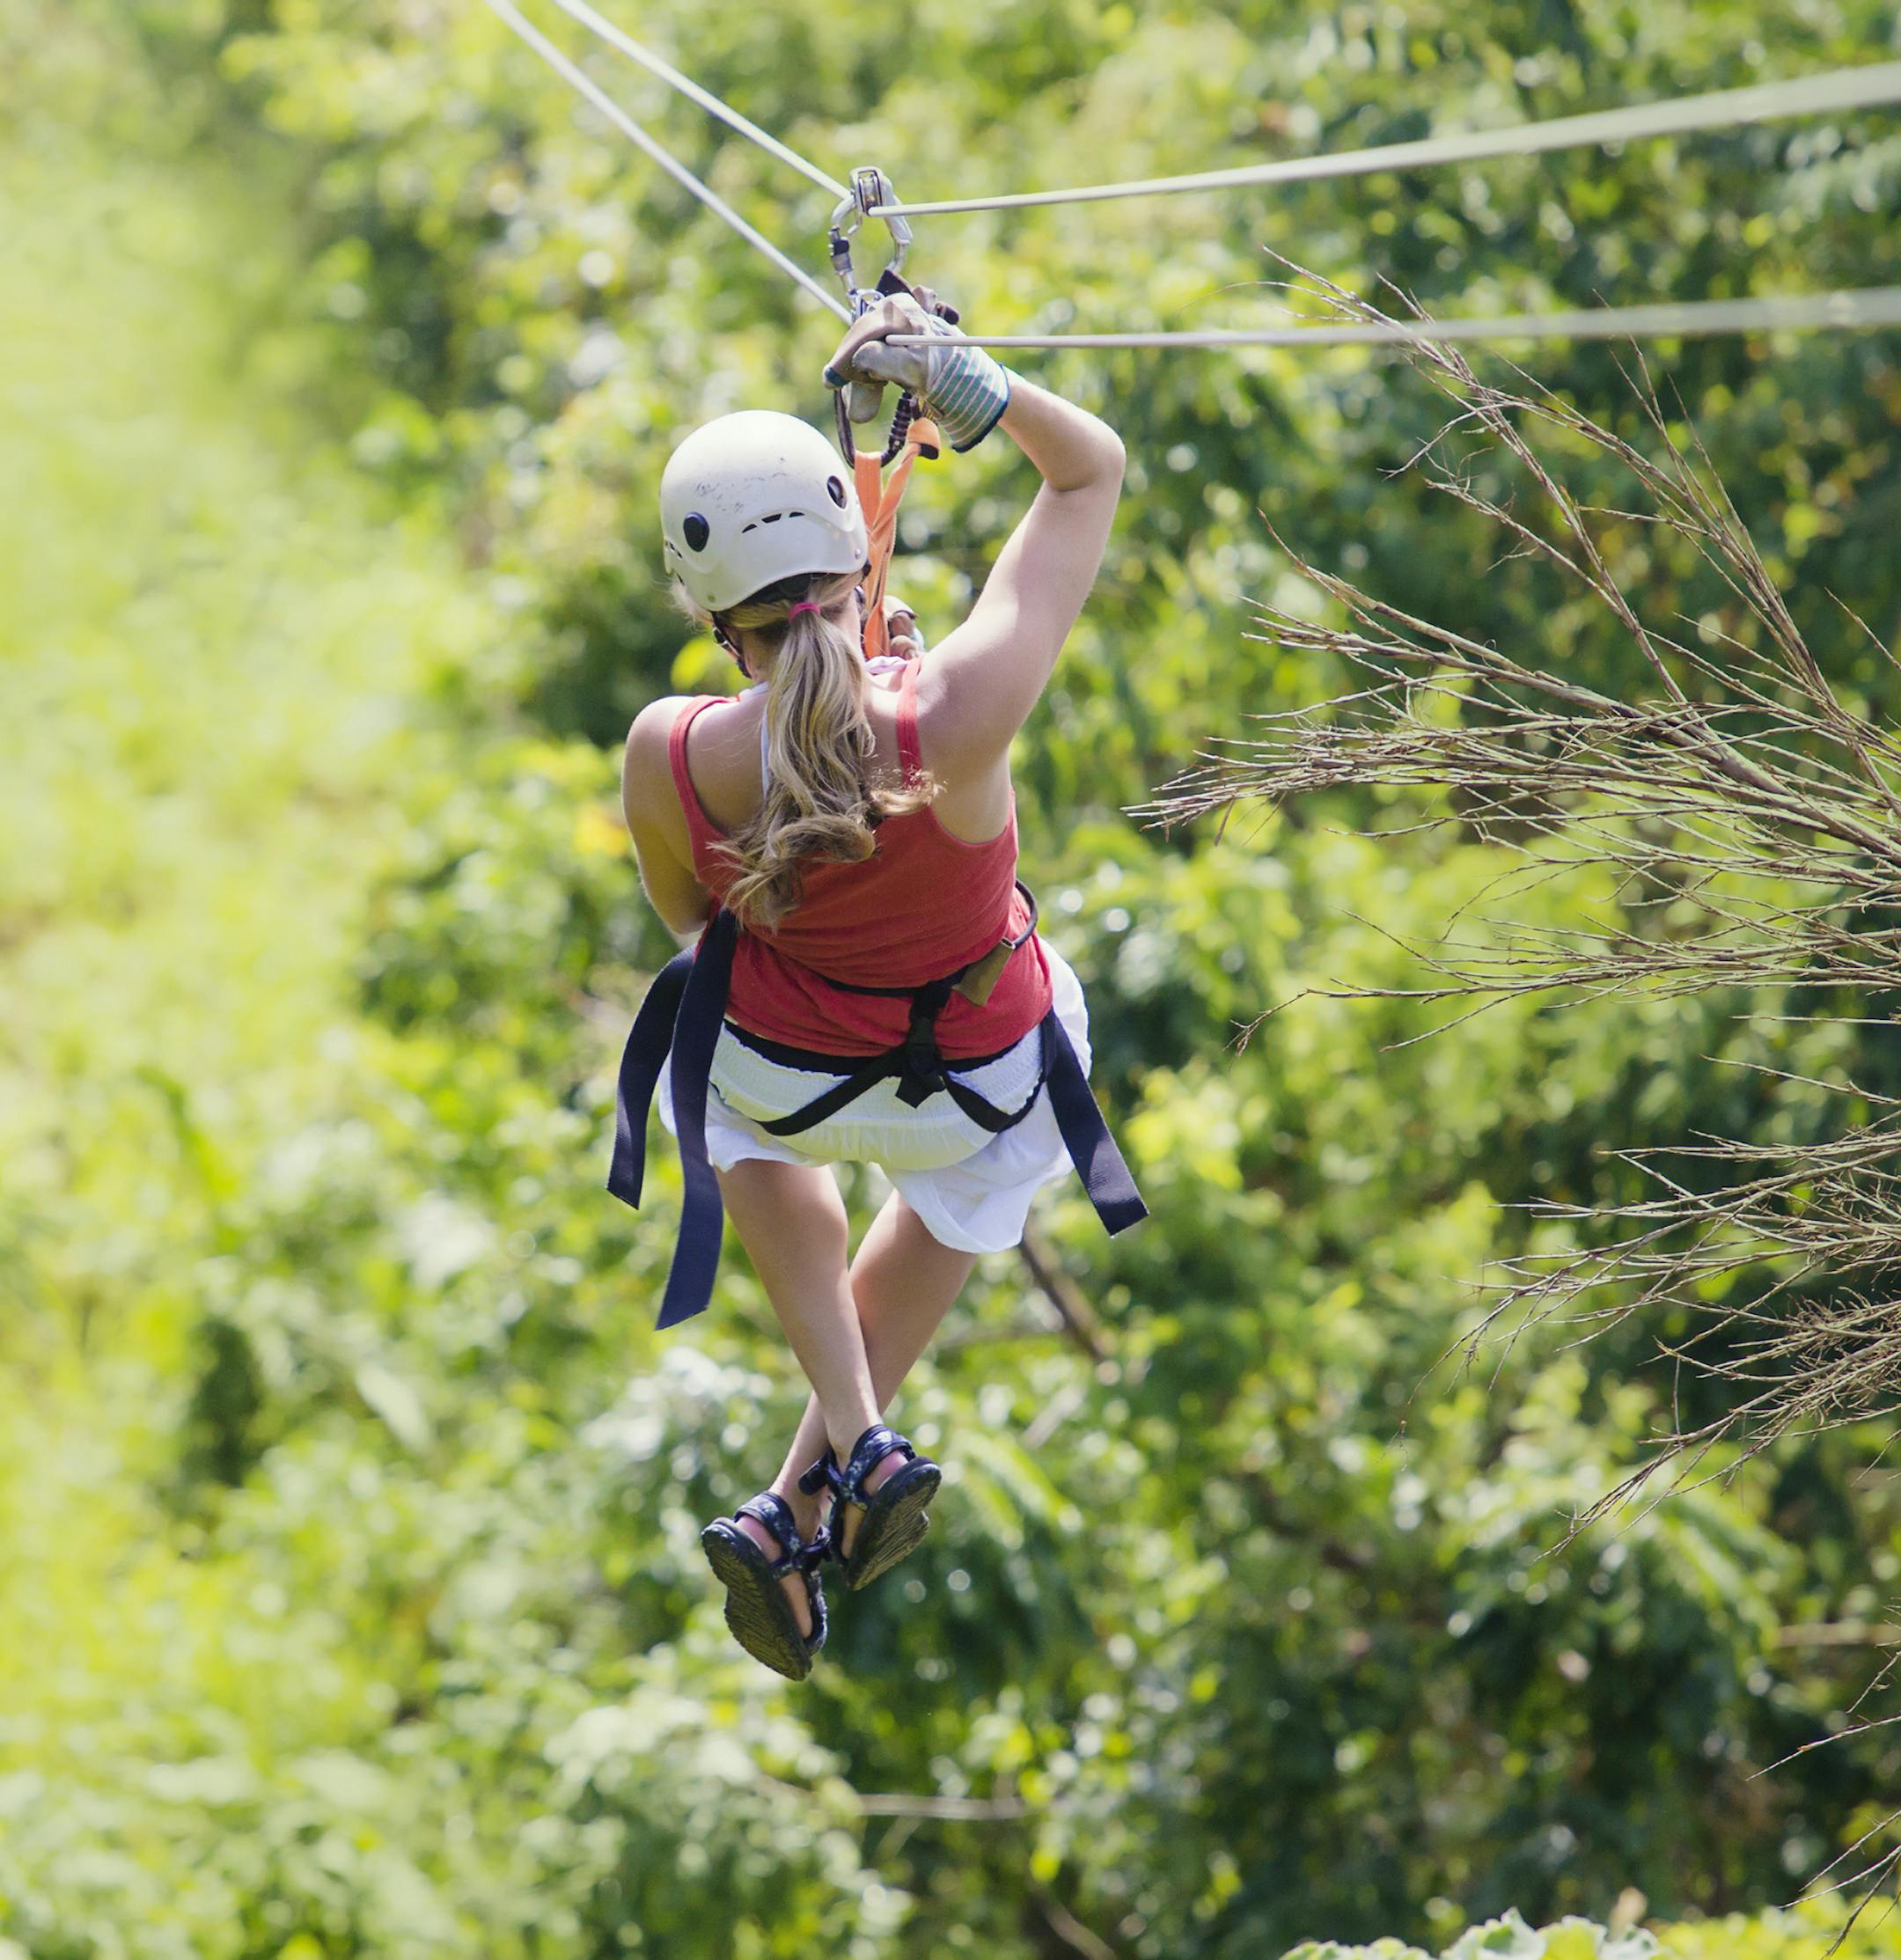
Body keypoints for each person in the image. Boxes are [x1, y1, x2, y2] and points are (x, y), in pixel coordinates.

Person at [614, 292, 1141, 1679]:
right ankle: (828, 1471)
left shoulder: (669, 753)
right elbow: (1093, 469)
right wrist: (968, 386)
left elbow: (690, 917)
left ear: (713, 617)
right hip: (981, 1078)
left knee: (712, 1070)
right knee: (972, 1175)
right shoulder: (956, 711)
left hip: (789, 1081)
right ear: (862, 558)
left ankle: (837, 1463)